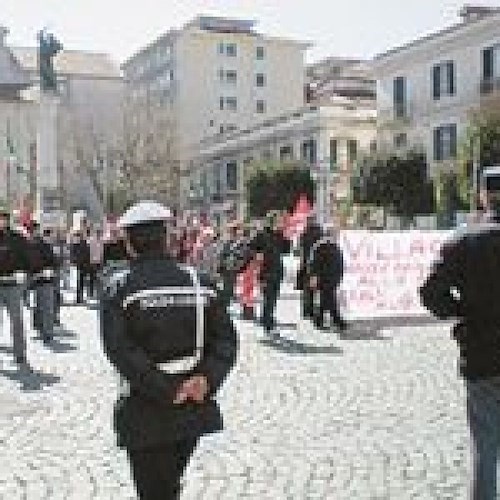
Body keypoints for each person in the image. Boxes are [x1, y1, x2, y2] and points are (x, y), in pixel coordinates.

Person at [100, 201, 237, 500]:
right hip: (193, 407)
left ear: (129, 243)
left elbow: (120, 350)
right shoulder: (200, 283)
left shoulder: (119, 288)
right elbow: (226, 340)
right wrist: (207, 379)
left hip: (146, 408)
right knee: (168, 484)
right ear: (167, 237)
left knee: (155, 491)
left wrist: (166, 389)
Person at [420, 167, 500, 500]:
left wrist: (463, 311)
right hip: (481, 353)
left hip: (481, 354)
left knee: (485, 447)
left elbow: (430, 292)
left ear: (483, 196)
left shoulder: (464, 241)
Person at [0, 205, 32, 368]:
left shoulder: (17, 238)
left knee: (16, 321)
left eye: (3, 218)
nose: (1, 221)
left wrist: (23, 273)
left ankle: (20, 355)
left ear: (7, 220)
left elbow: (27, 259)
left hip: (12, 285)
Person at [251, 213, 291, 337]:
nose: (280, 222)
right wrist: (257, 254)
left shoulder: (279, 234)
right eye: (278, 220)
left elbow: (286, 251)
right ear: (271, 221)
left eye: (281, 221)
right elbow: (252, 247)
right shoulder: (262, 234)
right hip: (265, 271)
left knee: (272, 299)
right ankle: (267, 325)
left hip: (277, 271)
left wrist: (286, 237)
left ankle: (267, 321)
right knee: (268, 299)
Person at [308, 223, 347, 331]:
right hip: (324, 277)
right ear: (329, 232)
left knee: (327, 299)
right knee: (328, 299)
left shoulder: (334, 244)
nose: (337, 234)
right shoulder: (321, 245)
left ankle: (324, 320)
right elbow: (313, 262)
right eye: (335, 231)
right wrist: (314, 276)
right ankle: (335, 321)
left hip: (333, 278)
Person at [29, 224, 58, 344]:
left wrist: (50, 270)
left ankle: (47, 333)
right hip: (34, 280)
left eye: (35, 231)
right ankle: (40, 328)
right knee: (38, 306)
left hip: (46, 280)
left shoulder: (45, 245)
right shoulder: (26, 245)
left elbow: (53, 261)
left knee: (47, 307)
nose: (33, 234)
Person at [298, 215, 323, 320]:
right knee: (316, 289)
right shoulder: (320, 233)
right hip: (317, 264)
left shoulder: (304, 233)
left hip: (306, 263)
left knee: (307, 289)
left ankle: (306, 311)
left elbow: (300, 248)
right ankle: (313, 311)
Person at [70, 230, 91, 304]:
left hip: (83, 265)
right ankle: (79, 298)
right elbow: (72, 254)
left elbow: (87, 254)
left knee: (81, 282)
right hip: (79, 265)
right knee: (79, 282)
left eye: (77, 236)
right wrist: (73, 261)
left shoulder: (84, 243)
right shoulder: (75, 245)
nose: (76, 238)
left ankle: (80, 297)